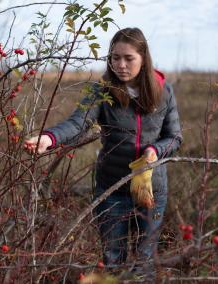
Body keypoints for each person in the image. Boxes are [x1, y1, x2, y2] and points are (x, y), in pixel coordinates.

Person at [24, 27, 183, 273]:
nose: (121, 65)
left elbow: (174, 138)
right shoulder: (101, 91)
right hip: (112, 189)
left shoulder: (164, 92)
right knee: (113, 262)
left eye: (128, 58)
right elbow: (78, 123)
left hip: (152, 191)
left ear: (143, 57)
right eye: (115, 57)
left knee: (144, 262)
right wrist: (50, 137)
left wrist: (154, 151)